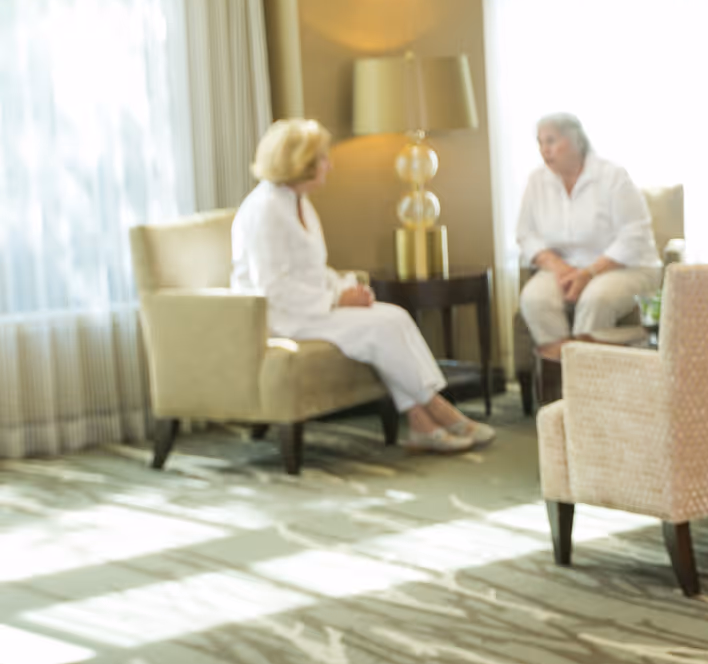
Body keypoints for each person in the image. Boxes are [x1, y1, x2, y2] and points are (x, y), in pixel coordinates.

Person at [232, 119, 490, 454]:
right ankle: (437, 408)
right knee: (379, 329)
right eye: (323, 158)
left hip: (312, 306)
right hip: (283, 315)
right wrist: (338, 299)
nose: (330, 164)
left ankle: (420, 421)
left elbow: (311, 269)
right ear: (303, 164)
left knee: (394, 317)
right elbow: (273, 286)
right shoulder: (265, 209)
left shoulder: (297, 202)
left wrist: (348, 288)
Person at [515, 114, 661, 361]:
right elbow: (526, 234)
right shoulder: (537, 181)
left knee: (596, 298)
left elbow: (633, 237)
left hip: (628, 267)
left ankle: (588, 380)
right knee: (534, 299)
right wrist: (559, 267)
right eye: (540, 143)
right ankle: (562, 378)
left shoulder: (613, 176)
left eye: (551, 141)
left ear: (576, 140)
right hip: (564, 267)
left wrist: (588, 273)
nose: (544, 150)